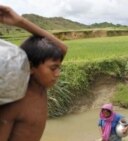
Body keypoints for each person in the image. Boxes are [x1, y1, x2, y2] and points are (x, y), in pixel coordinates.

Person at [0, 5, 67, 141]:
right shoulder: (14, 102)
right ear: (30, 67)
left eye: (59, 68)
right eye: (53, 68)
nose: (58, 74)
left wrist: (20, 22)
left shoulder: (41, 87)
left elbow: (62, 48)